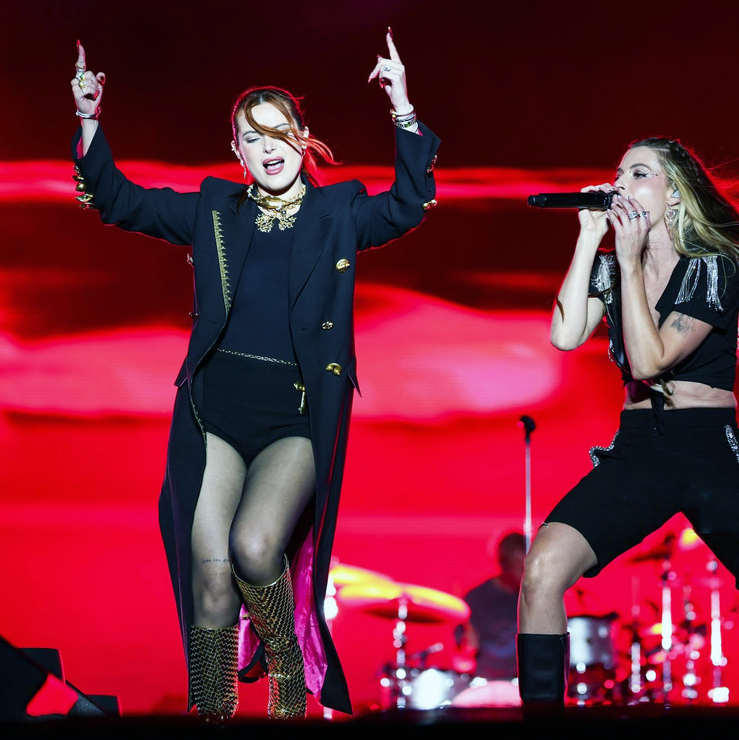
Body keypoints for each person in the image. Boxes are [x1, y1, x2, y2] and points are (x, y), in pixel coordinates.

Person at [69, 30, 439, 722]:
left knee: (254, 545)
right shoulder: (214, 209)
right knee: (210, 577)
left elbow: (407, 205)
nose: (268, 148)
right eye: (251, 137)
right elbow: (119, 200)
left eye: (278, 133)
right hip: (214, 414)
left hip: (294, 417)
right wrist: (90, 119)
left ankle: (288, 674)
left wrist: (403, 109)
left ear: (303, 138)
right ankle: (210, 712)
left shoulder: (339, 213)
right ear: (236, 151)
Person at [517, 137, 739, 706]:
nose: (619, 184)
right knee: (542, 570)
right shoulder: (613, 265)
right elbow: (565, 335)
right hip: (640, 447)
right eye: (618, 173)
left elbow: (649, 360)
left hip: (706, 446)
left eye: (638, 173)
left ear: (674, 195)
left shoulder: (713, 268)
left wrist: (631, 260)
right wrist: (589, 239)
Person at [455, 531, 525, 681]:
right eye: (520, 569)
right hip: (483, 681)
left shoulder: (533, 598)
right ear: (505, 565)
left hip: (523, 681)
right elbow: (460, 659)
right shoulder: (476, 598)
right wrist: (468, 648)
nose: (525, 575)